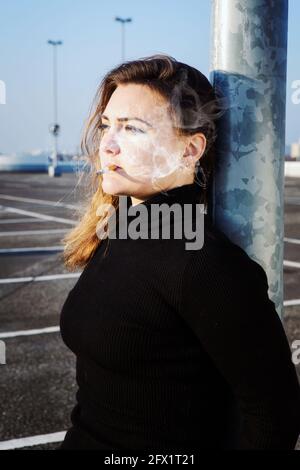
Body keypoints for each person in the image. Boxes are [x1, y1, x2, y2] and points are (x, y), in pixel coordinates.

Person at [58, 54, 300, 450]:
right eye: (107, 126)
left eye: (133, 129)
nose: (109, 145)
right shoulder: (118, 231)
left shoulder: (204, 264)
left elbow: (275, 414)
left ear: (190, 150)